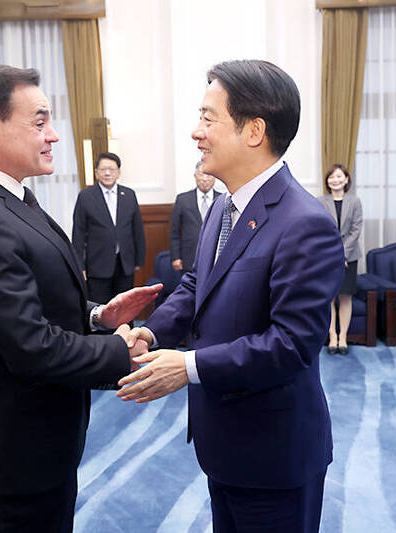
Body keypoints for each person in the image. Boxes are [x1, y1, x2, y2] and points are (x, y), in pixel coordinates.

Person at [0, 64, 160, 532]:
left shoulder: (7, 198)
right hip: (25, 444)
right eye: (39, 122)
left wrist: (96, 314)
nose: (53, 135)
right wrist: (119, 348)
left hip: (47, 431)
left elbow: (30, 295)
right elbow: (29, 346)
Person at [118, 60, 345, 533]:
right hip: (223, 443)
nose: (196, 132)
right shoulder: (224, 205)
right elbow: (199, 285)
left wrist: (189, 367)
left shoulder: (305, 224)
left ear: (254, 131)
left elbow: (290, 345)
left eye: (208, 117)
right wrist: (152, 332)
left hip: (275, 455)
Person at [72, 152, 146, 304]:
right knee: (101, 310)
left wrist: (139, 259)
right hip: (97, 265)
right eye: (103, 169)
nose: (107, 173)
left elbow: (137, 229)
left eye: (111, 169)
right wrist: (79, 266)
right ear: (96, 172)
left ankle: (125, 329)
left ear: (119, 172)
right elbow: (78, 234)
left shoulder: (129, 194)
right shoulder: (85, 196)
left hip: (125, 264)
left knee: (125, 307)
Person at [317, 164, 363, 355]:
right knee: (329, 298)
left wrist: (342, 254)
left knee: (345, 296)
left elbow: (356, 229)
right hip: (327, 257)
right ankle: (332, 337)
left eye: (339, 177)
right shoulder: (320, 201)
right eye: (331, 177)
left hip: (349, 257)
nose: (335, 180)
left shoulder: (355, 201)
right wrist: (335, 255)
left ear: (346, 180)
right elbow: (319, 229)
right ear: (327, 181)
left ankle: (343, 336)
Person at [170, 161, 221, 273]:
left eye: (208, 174)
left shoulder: (222, 199)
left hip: (216, 257)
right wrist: (176, 257)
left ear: (215, 177)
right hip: (189, 257)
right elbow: (175, 231)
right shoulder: (182, 199)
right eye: (201, 174)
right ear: (195, 176)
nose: (205, 179)